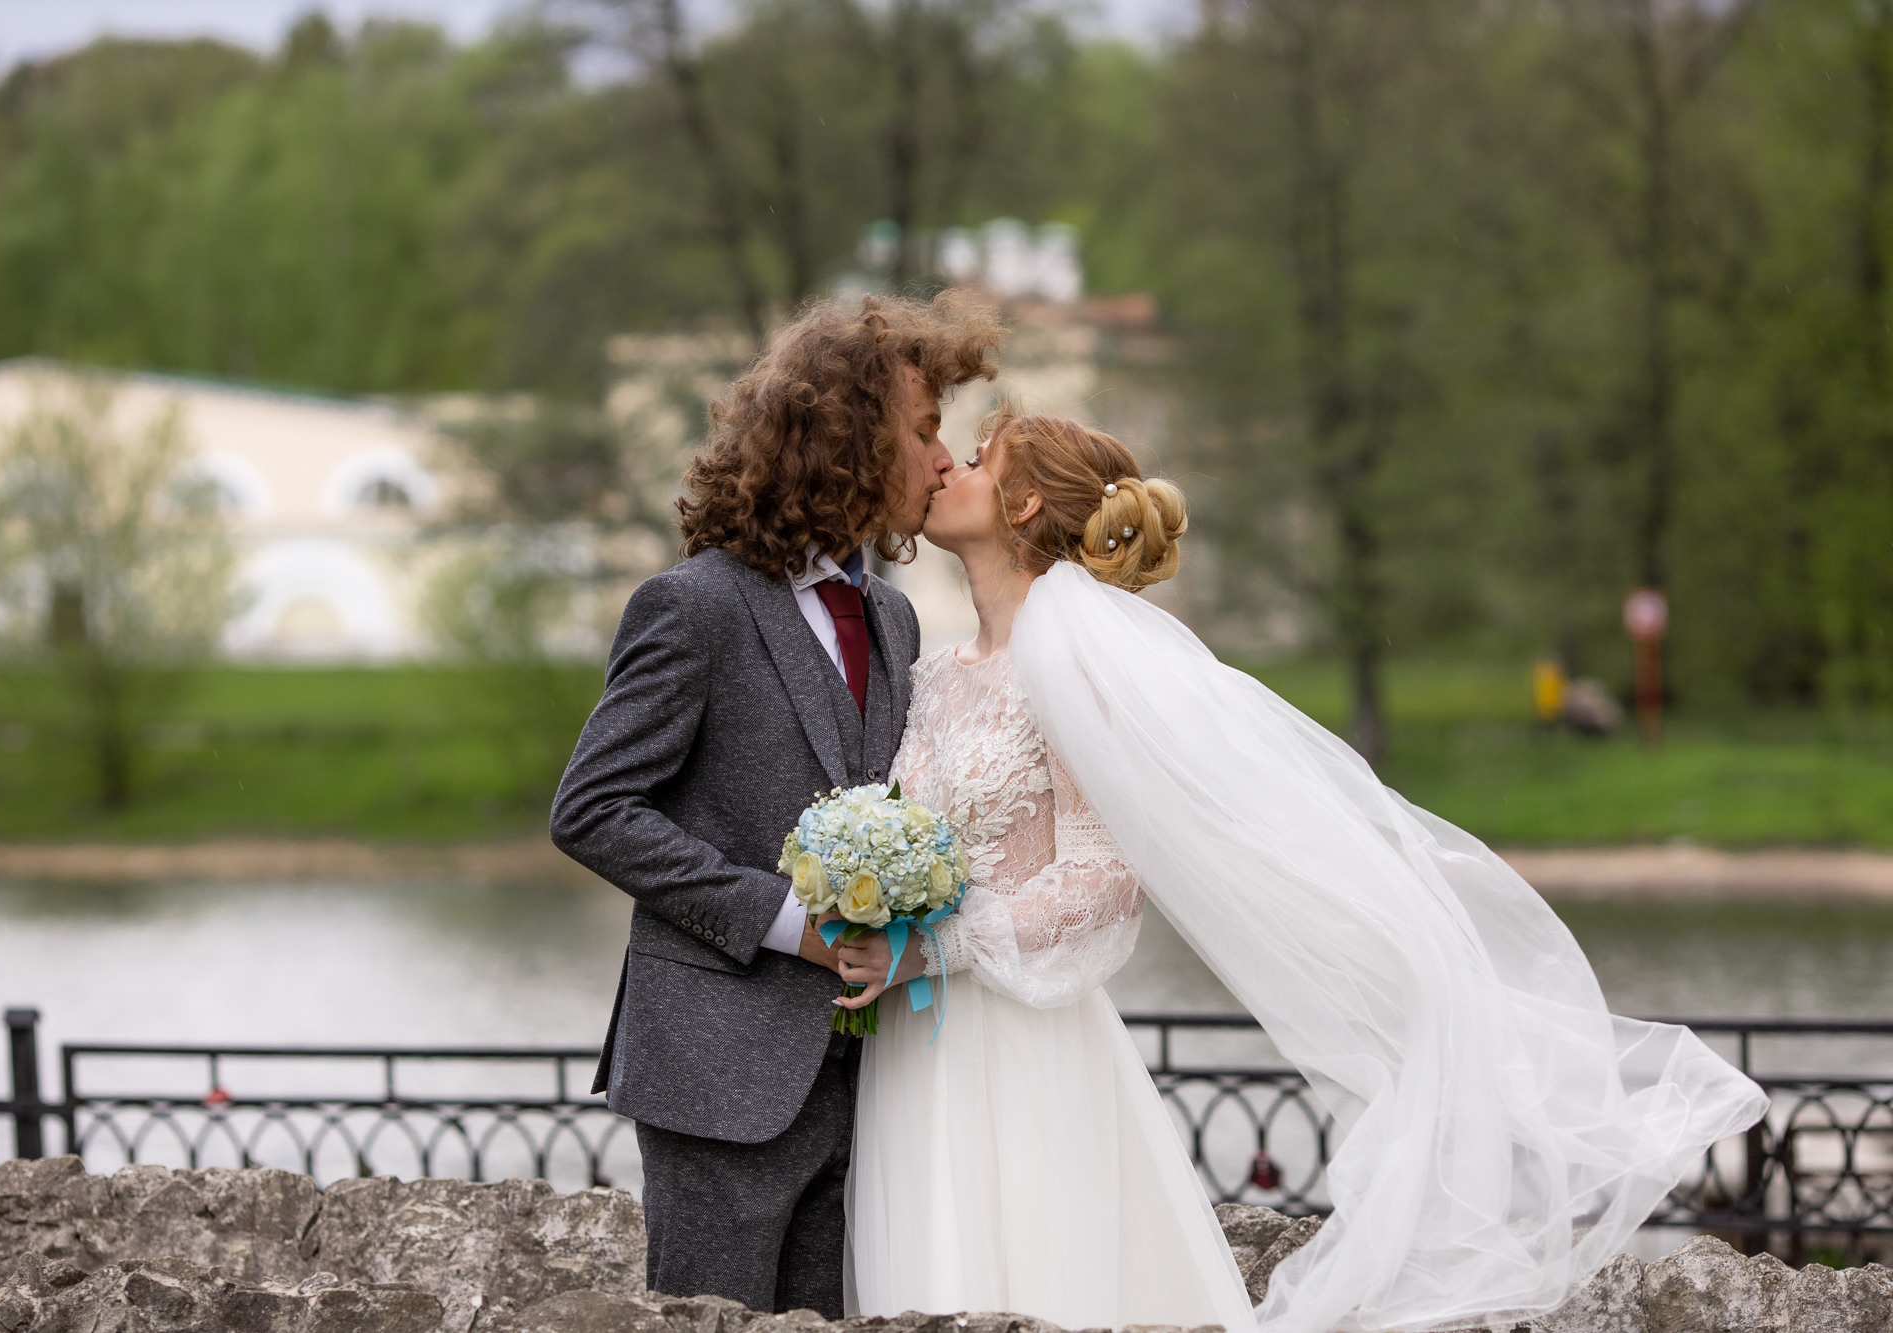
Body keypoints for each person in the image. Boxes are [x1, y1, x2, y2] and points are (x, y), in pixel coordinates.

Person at [837, 411, 1768, 1333]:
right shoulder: (934, 670)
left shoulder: (1065, 659)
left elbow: (1105, 878)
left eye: (975, 459)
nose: (946, 469)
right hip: (914, 1045)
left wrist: (939, 945)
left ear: (1024, 502)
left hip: (1018, 1043)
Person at [549, 293, 1004, 1320]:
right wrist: (790, 922)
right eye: (925, 431)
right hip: (716, 1081)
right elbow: (592, 808)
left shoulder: (892, 619)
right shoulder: (693, 606)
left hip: (869, 1089)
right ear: (852, 438)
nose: (944, 461)